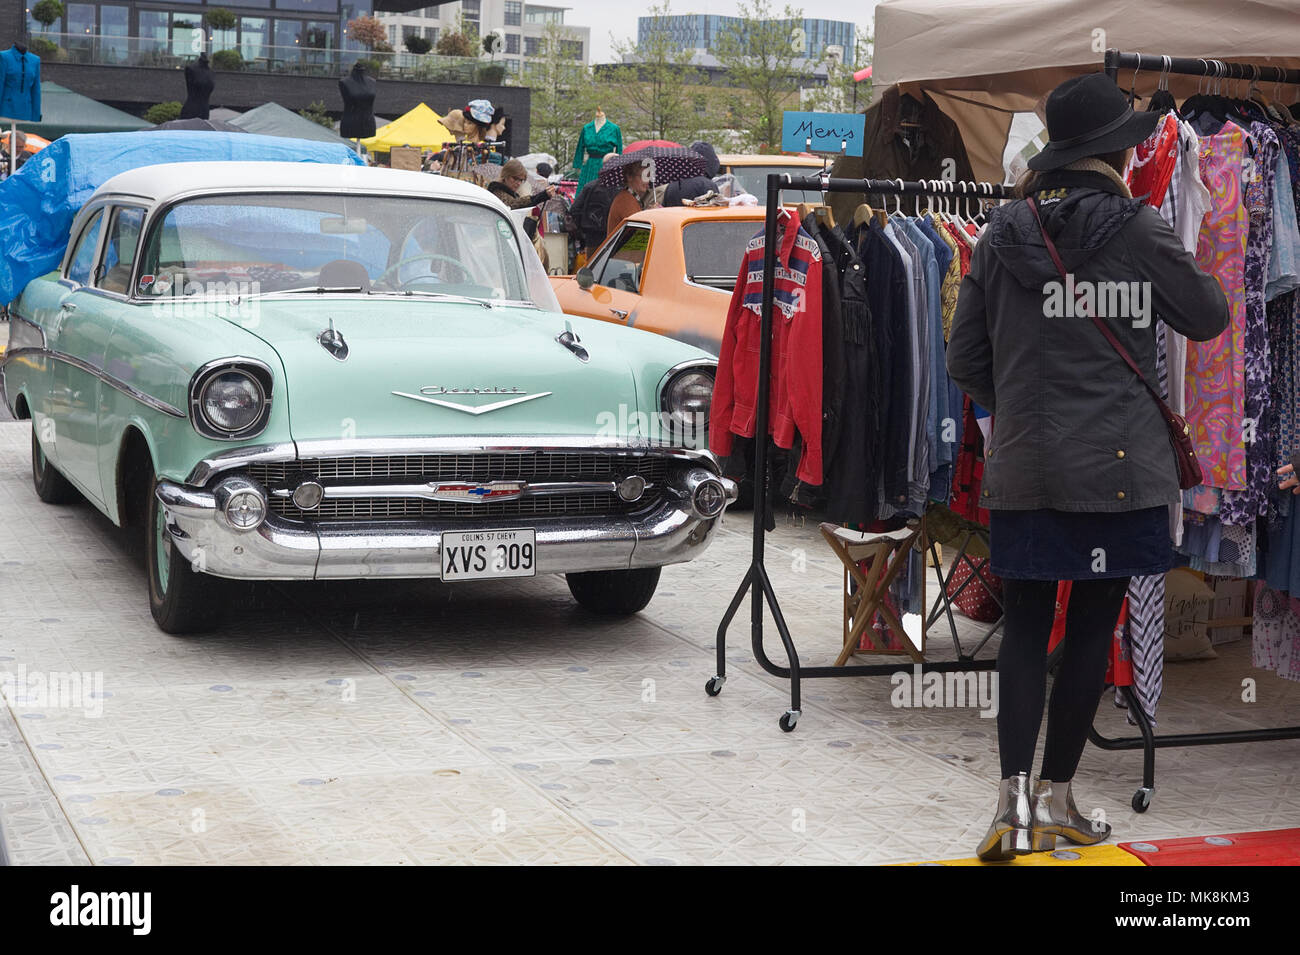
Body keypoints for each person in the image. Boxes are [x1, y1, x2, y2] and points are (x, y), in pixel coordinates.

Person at [945, 72, 1230, 862]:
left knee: (1026, 625)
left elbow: (965, 356)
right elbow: (1207, 316)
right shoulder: (1137, 228)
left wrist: (1031, 408)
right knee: (1091, 622)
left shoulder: (1003, 231)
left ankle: (1010, 808)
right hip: (1117, 470)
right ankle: (1059, 798)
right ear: (1114, 152)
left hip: (1026, 466)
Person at [605, 158, 653, 241]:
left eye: (648, 176)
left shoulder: (630, 197)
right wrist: (652, 215)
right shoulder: (625, 200)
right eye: (644, 176)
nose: (647, 180)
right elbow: (639, 231)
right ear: (629, 177)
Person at [488, 158, 554, 210]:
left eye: (521, 180)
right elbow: (512, 205)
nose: (518, 183)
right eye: (515, 178)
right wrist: (541, 196)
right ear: (506, 175)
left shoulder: (512, 193)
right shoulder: (496, 190)